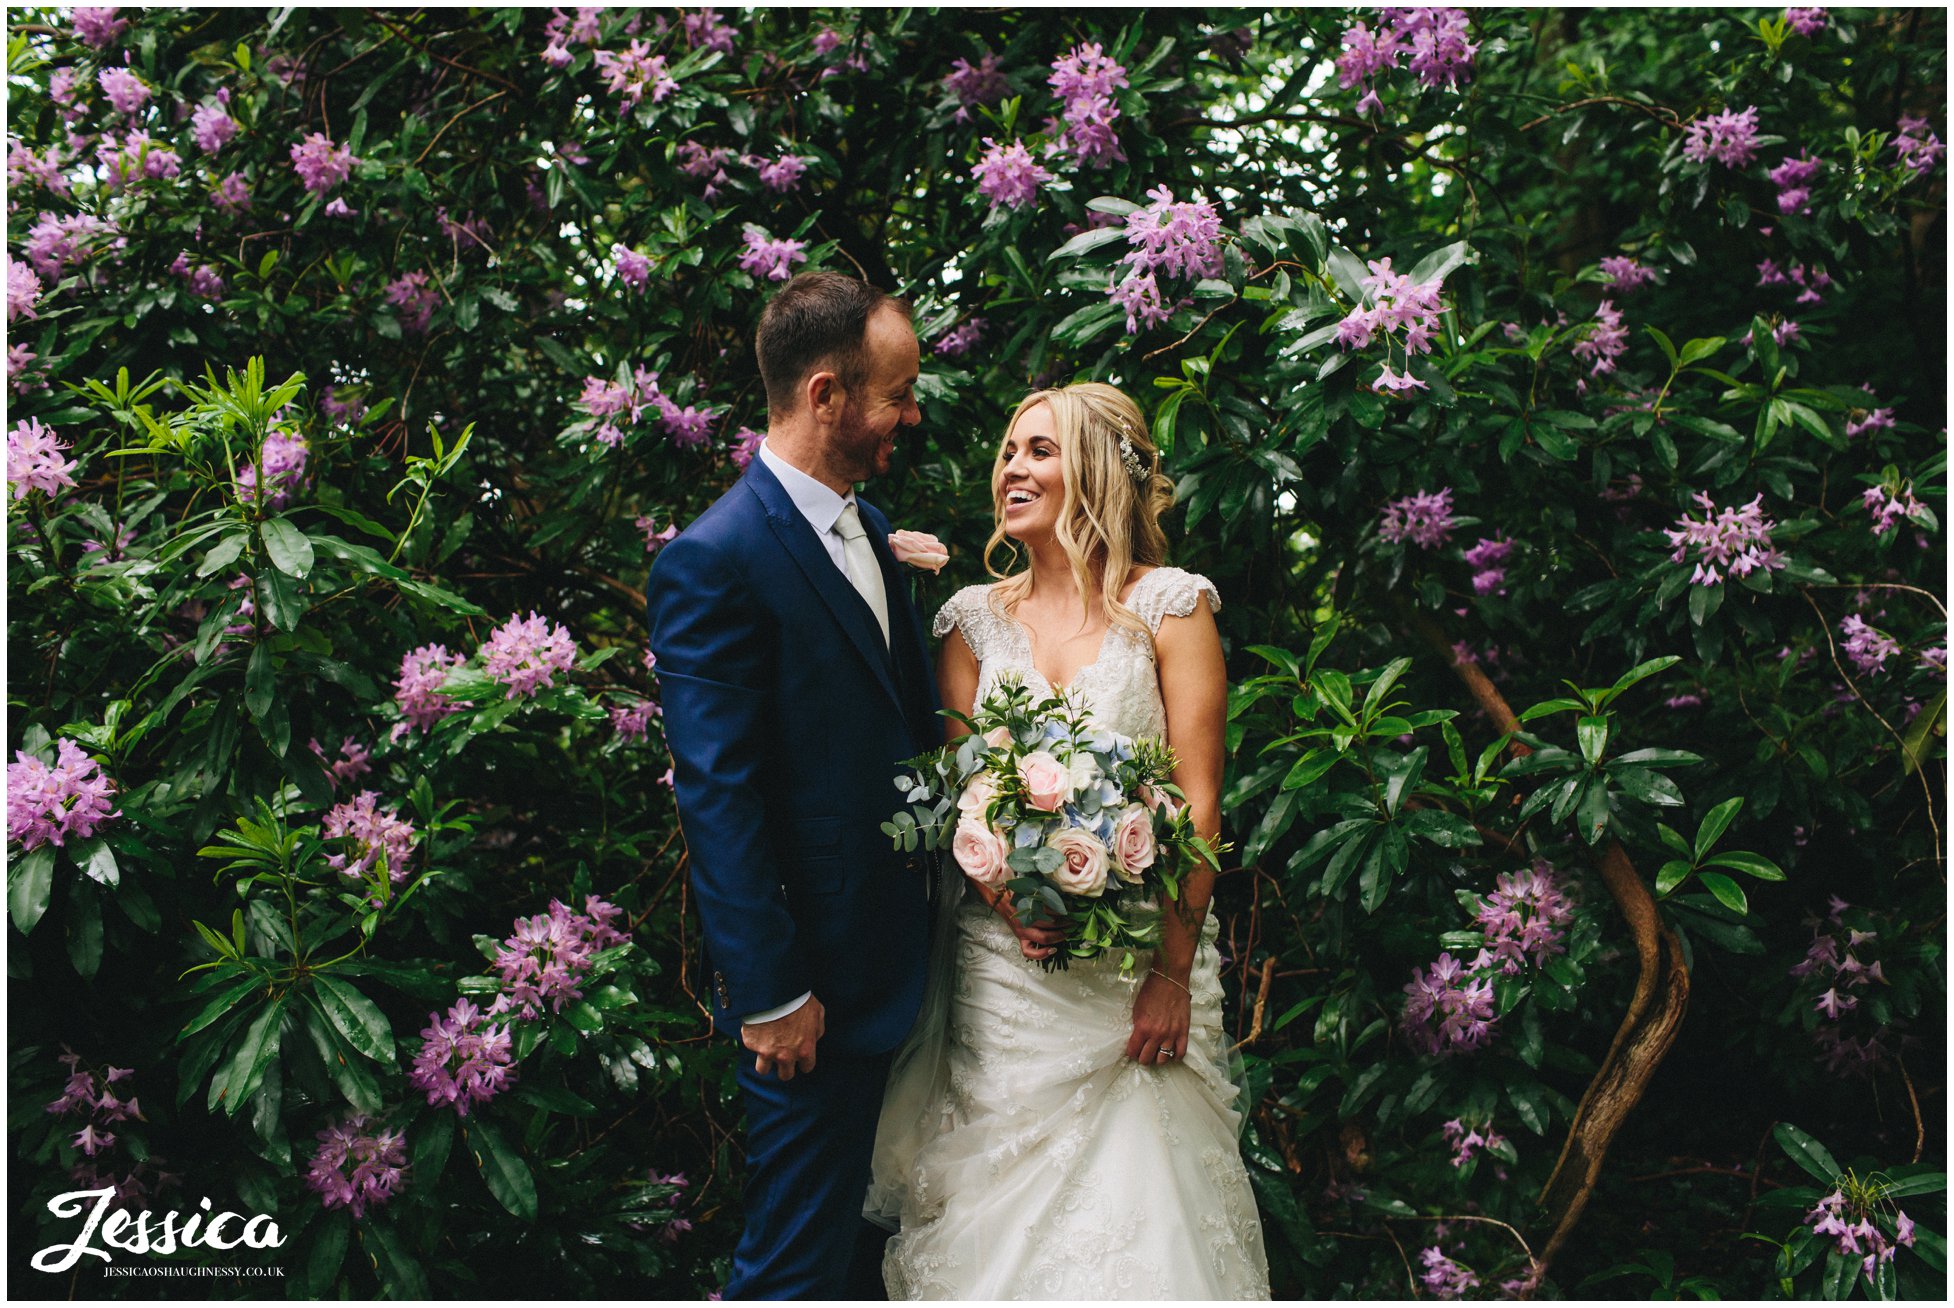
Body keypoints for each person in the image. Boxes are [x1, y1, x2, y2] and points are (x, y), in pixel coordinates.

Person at [867, 382, 1271, 1299]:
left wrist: (1171, 972)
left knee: (1145, 1230)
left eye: (1039, 451)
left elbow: (1199, 805)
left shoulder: (1170, 609)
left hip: (1135, 983)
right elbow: (966, 799)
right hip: (1006, 981)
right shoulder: (970, 621)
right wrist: (1014, 899)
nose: (1012, 467)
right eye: (1010, 451)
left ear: (1095, 471)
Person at [647, 272, 941, 1300]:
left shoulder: (872, 523)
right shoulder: (711, 561)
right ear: (826, 396)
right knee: (793, 1271)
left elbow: (899, 737)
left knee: (866, 1267)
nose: (913, 411)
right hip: (812, 998)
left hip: (911, 969)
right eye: (896, 392)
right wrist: (770, 993)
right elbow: (717, 794)